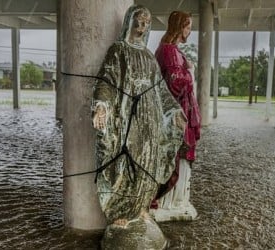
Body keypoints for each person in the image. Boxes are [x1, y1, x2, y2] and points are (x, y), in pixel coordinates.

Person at [91, 5, 186, 248]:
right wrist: (101, 106)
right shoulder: (118, 51)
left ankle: (142, 206)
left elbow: (161, 90)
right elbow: (106, 80)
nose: (142, 26)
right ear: (129, 22)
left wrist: (174, 110)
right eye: (139, 21)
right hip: (127, 118)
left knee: (147, 164)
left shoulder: (148, 56)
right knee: (126, 163)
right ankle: (121, 211)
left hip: (150, 119)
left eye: (146, 22)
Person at [151, 11, 201, 217]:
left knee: (177, 157)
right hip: (175, 116)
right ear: (179, 27)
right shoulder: (170, 50)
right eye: (187, 25)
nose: (190, 30)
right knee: (176, 157)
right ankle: (167, 203)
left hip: (178, 113)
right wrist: (190, 71)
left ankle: (175, 201)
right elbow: (175, 82)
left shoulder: (171, 50)